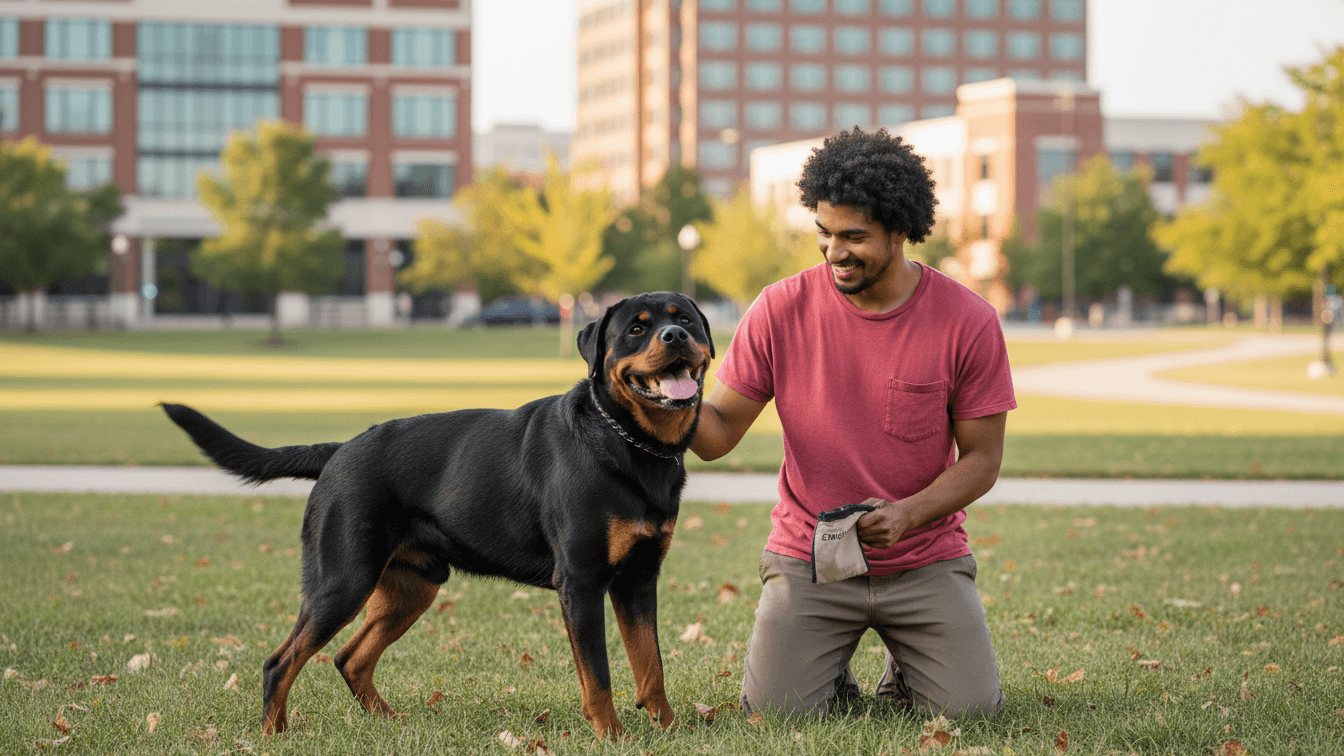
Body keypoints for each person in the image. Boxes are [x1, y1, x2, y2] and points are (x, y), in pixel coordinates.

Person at [691, 127, 1016, 719]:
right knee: (778, 714)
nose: (833, 250)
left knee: (971, 714)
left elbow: (982, 460)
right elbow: (715, 437)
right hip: (808, 557)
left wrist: (909, 513)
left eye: (853, 237)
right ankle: (827, 667)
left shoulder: (967, 320)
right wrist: (660, 396)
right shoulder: (779, 308)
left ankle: (908, 666)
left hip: (924, 557)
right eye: (823, 232)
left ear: (899, 230)